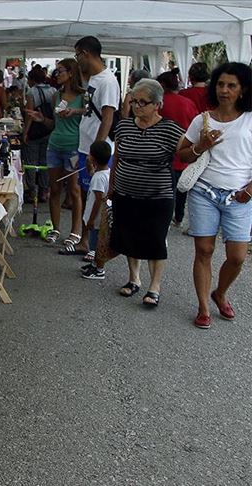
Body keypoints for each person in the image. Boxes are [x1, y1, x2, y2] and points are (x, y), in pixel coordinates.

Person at [85, 80, 185, 308]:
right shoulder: (124, 126)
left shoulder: (170, 129)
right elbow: (117, 158)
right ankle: (134, 278)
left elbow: (185, 152)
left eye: (143, 102)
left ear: (157, 104)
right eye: (134, 101)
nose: (137, 106)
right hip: (126, 192)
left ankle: (155, 287)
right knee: (129, 236)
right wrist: (112, 186)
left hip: (158, 195)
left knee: (155, 240)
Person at [176, 62, 252, 329]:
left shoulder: (249, 119)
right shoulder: (202, 120)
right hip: (204, 192)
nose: (224, 90)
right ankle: (203, 308)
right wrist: (201, 145)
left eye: (231, 85)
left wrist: (250, 190)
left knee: (237, 256)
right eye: (220, 84)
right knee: (204, 250)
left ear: (243, 89)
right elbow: (182, 155)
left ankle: (219, 293)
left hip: (240, 196)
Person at [73, 35, 119, 254]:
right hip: (86, 145)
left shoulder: (107, 81)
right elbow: (92, 110)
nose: (77, 61)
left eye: (77, 56)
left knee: (97, 197)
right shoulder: (93, 79)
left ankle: (95, 245)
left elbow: (107, 118)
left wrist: (96, 152)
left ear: (86, 54)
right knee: (85, 194)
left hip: (98, 150)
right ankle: (85, 240)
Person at [42, 58, 85, 246]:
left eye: (60, 71)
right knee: (55, 189)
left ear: (71, 73)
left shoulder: (83, 96)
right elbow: (53, 123)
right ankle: (55, 228)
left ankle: (75, 231)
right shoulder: (56, 95)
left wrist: (75, 111)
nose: (56, 74)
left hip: (74, 147)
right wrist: (41, 119)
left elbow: (90, 114)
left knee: (74, 190)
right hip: (54, 145)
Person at [156, 68, 198, 226]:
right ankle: (179, 217)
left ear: (162, 85)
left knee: (167, 190)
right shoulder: (188, 103)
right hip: (184, 153)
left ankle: (165, 218)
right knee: (182, 189)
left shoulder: (159, 103)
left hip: (163, 154)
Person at [23, 67, 57, 203]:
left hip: (35, 130)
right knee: (45, 161)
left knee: (31, 162)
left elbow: (30, 115)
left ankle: (32, 191)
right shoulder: (53, 91)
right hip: (48, 129)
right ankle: (44, 191)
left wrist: (25, 132)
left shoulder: (32, 92)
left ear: (32, 79)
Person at [79, 140, 112, 269]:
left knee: (95, 245)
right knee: (98, 244)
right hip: (101, 219)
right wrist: (91, 168)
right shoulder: (107, 173)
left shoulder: (98, 178)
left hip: (96, 220)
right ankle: (94, 265)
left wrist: (91, 219)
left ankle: (98, 269)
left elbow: (99, 200)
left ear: (93, 158)